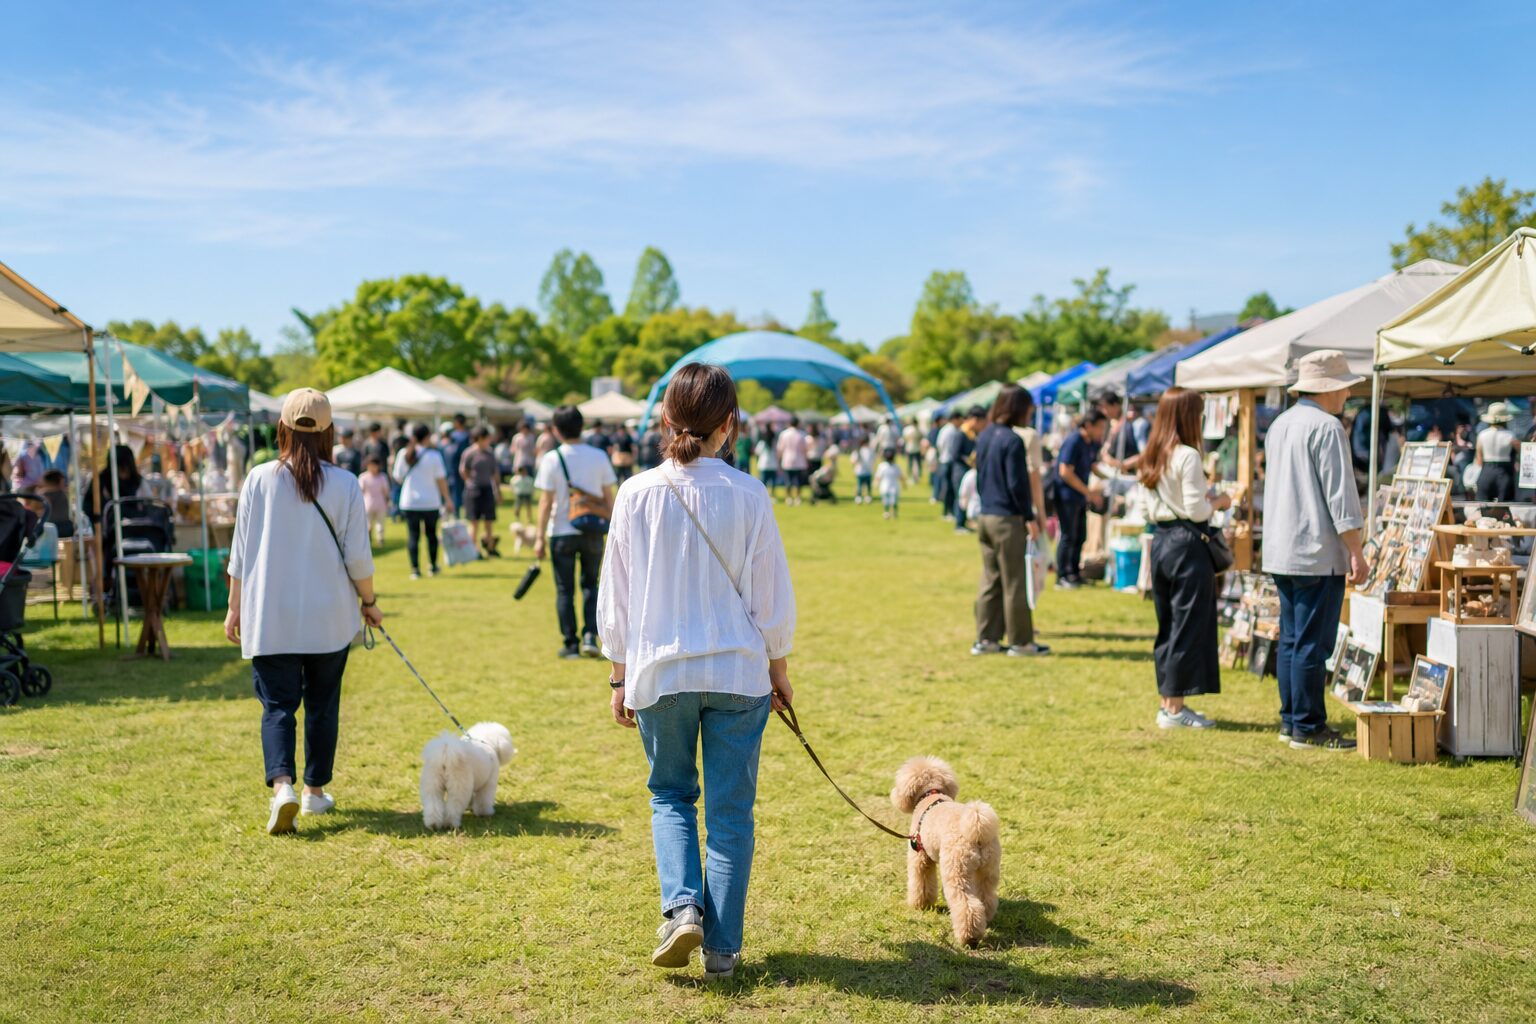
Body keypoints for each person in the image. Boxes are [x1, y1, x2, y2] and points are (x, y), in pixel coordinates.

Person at [596, 361, 795, 981]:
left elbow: (616, 598)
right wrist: (779, 668)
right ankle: (723, 949)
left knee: (672, 796)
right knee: (731, 814)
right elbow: (772, 598)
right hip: (739, 672)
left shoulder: (636, 493)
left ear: (665, 420)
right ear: (729, 425)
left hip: (660, 669)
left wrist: (619, 673)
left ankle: (683, 908)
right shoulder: (749, 493)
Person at [225, 388, 383, 834]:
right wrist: (369, 603)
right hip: (329, 616)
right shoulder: (346, 483)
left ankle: (283, 788)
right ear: (329, 432)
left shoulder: (259, 478)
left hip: (270, 614)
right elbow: (359, 558)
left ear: (282, 429)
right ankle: (314, 791)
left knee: (277, 706)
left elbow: (239, 554)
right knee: (322, 704)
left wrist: (234, 608)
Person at [1263, 350, 1369, 751]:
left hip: (1281, 548)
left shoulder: (1280, 425)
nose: (1346, 394)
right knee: (1312, 643)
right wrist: (1356, 551)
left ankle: (1293, 720)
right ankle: (1307, 726)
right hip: (1315, 551)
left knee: (1292, 639)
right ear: (1331, 388)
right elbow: (1340, 497)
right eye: (1343, 386)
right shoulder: (1327, 427)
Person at [1139, 388, 1230, 729]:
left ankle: (1169, 702)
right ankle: (1175, 708)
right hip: (1187, 545)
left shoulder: (1151, 454)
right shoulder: (1188, 455)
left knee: (1168, 625)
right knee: (1186, 625)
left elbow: (1146, 507)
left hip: (1161, 542)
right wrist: (1220, 501)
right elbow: (1196, 509)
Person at [534, 405, 618, 659]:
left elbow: (545, 501)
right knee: (591, 585)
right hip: (593, 529)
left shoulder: (552, 458)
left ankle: (570, 642)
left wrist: (538, 536)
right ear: (583, 426)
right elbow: (608, 498)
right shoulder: (598, 456)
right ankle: (591, 636)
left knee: (564, 589)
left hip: (561, 530)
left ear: (557, 431)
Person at [971, 385, 1049, 658]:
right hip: (1007, 519)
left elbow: (980, 478)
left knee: (990, 579)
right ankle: (1021, 641)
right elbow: (1018, 485)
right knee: (1015, 580)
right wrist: (1029, 517)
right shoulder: (1012, 440)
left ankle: (986, 638)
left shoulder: (985, 436)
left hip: (986, 515)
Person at [1054, 408, 1108, 588]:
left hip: (1079, 497)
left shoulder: (1090, 443)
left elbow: (1091, 465)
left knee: (1080, 535)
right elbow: (1065, 472)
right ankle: (1062, 576)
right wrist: (1089, 492)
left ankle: (1075, 573)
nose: (1102, 431)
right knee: (1068, 536)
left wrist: (1110, 477)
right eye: (1100, 427)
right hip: (1066, 496)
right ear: (1088, 425)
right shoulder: (1073, 441)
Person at [392, 424, 450, 580]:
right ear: (427, 436)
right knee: (431, 535)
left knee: (413, 536)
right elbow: (441, 480)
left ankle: (415, 569)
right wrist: (448, 499)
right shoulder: (434, 455)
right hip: (431, 501)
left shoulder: (404, 453)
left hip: (410, 501)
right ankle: (433, 566)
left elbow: (397, 476)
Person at [460, 426, 502, 558]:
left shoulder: (490, 454)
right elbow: (463, 470)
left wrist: (498, 490)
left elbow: (495, 473)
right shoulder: (469, 453)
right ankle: (474, 549)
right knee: (474, 521)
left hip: (487, 488)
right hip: (473, 489)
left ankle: (490, 547)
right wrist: (469, 482)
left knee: (489, 521)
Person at [1474, 402, 1518, 503]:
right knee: (1505, 508)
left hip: (1486, 471)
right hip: (1504, 472)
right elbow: (1522, 451)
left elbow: (1479, 460)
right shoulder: (1510, 435)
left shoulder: (1482, 435)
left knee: (1483, 507)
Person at [442, 413, 472, 517]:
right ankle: (456, 513)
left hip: (451, 467)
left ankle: (454, 513)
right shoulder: (467, 436)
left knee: (453, 492)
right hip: (461, 468)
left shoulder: (454, 437)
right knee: (459, 492)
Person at [934, 413, 963, 516]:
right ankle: (948, 511)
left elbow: (939, 445)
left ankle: (949, 511)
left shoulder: (950, 430)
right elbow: (940, 445)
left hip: (946, 460)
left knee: (949, 487)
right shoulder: (950, 430)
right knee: (948, 487)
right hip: (947, 461)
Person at [776, 417, 808, 506]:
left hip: (787, 459)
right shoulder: (802, 434)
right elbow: (804, 449)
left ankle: (788, 497)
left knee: (788, 480)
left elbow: (780, 449)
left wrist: (779, 460)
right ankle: (798, 498)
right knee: (798, 480)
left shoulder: (784, 434)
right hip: (799, 460)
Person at [360, 456, 390, 547]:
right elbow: (360, 491)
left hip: (380, 503)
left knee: (380, 523)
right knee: (368, 524)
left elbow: (386, 491)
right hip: (367, 503)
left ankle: (380, 539)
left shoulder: (382, 477)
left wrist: (388, 501)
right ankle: (368, 539)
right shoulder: (363, 477)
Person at [37, 469, 74, 539]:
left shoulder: (43, 494)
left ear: (46, 481)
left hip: (51, 528)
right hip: (66, 527)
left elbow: (42, 512)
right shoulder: (63, 493)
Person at [875, 448, 902, 519]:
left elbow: (878, 477)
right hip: (891, 486)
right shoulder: (894, 466)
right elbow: (900, 476)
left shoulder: (883, 466)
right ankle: (891, 512)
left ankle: (888, 512)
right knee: (891, 501)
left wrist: (876, 483)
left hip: (887, 486)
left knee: (889, 500)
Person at [754, 427, 779, 498]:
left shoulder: (762, 443)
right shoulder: (774, 442)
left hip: (763, 464)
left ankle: (762, 495)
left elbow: (757, 452)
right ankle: (773, 496)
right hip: (773, 464)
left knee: (763, 482)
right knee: (773, 482)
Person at [852, 438, 875, 504]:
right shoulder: (860, 451)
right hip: (863, 471)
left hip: (863, 471)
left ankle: (863, 497)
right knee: (862, 485)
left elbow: (853, 461)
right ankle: (861, 497)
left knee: (863, 485)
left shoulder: (869, 450)